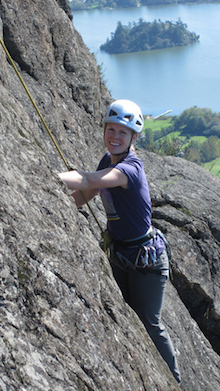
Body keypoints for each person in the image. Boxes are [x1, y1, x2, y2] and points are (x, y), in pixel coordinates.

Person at [58, 99, 181, 384]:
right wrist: (56, 205)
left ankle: (174, 381)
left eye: (122, 132)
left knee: (150, 324)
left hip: (146, 260)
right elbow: (86, 195)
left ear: (133, 138)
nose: (114, 136)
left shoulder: (130, 169)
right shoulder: (107, 161)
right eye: (110, 129)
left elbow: (89, 181)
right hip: (121, 255)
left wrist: (51, 178)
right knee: (124, 314)